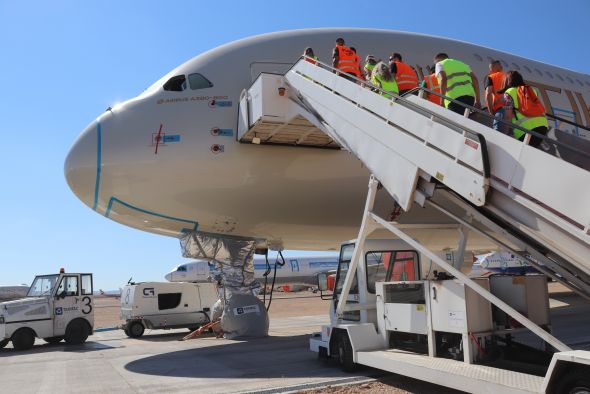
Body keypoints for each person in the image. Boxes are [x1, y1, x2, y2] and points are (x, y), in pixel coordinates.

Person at [501, 70, 549, 148]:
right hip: (543, 126)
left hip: (526, 129)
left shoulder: (508, 93)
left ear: (507, 81)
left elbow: (508, 117)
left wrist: (504, 134)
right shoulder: (531, 90)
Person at [484, 60, 506, 131]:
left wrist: (490, 111)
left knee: (496, 131)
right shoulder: (508, 77)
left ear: (492, 68)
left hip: (499, 109)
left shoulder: (491, 77)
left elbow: (488, 93)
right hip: (510, 109)